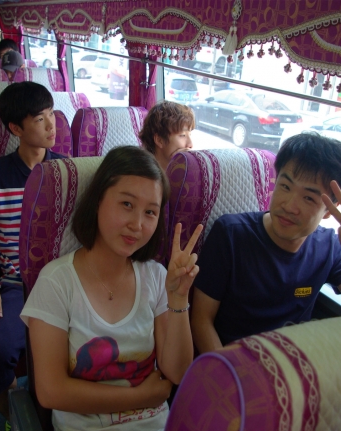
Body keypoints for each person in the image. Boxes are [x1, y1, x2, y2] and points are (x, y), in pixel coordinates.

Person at [20, 145, 204, 430]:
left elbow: (177, 372)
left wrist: (178, 298)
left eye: (150, 212)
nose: (137, 224)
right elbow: (51, 391)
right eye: (127, 204)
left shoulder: (157, 277)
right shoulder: (56, 282)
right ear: (97, 201)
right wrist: (141, 397)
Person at [191, 132, 341, 353]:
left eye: (308, 198)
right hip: (232, 361)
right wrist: (229, 371)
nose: (289, 206)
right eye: (285, 187)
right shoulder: (231, 234)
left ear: (330, 210)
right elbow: (201, 320)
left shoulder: (330, 247)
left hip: (293, 364)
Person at [0, 82, 66, 422]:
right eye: (40, 119)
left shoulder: (67, 171)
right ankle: (18, 418)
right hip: (17, 285)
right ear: (16, 129)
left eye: (51, 114)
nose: (52, 125)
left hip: (67, 282)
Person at [140, 100, 195, 171]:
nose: (190, 144)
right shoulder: (142, 174)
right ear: (159, 140)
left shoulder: (186, 172)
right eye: (182, 135)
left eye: (190, 134)